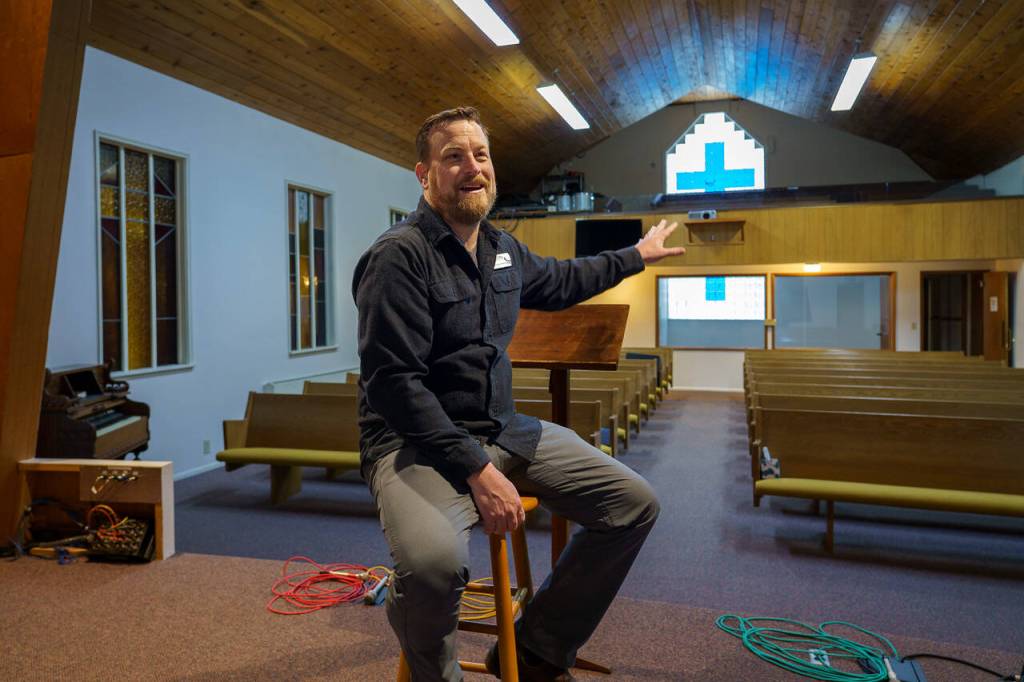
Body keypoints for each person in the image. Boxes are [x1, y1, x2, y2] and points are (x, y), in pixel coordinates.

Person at [352, 106, 685, 681]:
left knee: (633, 504)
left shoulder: (500, 248)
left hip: (503, 429)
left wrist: (635, 257)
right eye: (453, 156)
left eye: (480, 155)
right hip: (415, 444)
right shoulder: (398, 256)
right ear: (424, 174)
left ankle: (534, 650)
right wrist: (478, 471)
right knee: (433, 567)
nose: (471, 167)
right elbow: (393, 384)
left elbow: (560, 281)